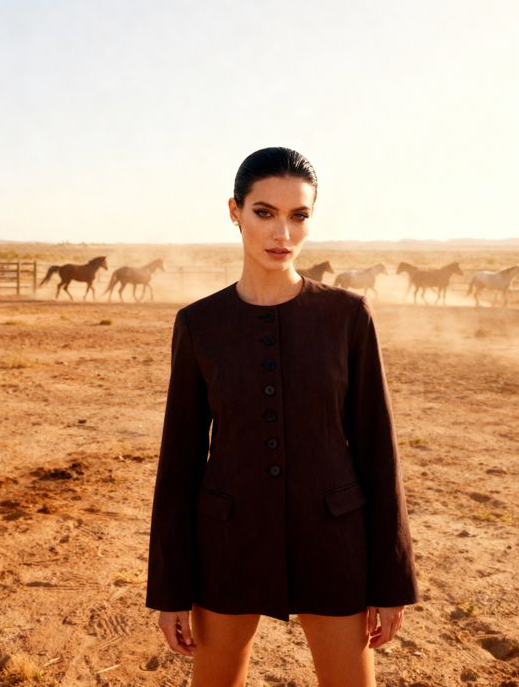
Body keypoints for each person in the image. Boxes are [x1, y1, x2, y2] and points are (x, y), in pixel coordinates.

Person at [146, 147, 419, 687]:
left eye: (299, 216)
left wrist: (390, 581)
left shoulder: (347, 316)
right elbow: (179, 461)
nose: (283, 234)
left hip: (334, 541)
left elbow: (377, 449)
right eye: (264, 212)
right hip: (227, 542)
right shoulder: (200, 324)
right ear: (234, 212)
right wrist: (170, 589)